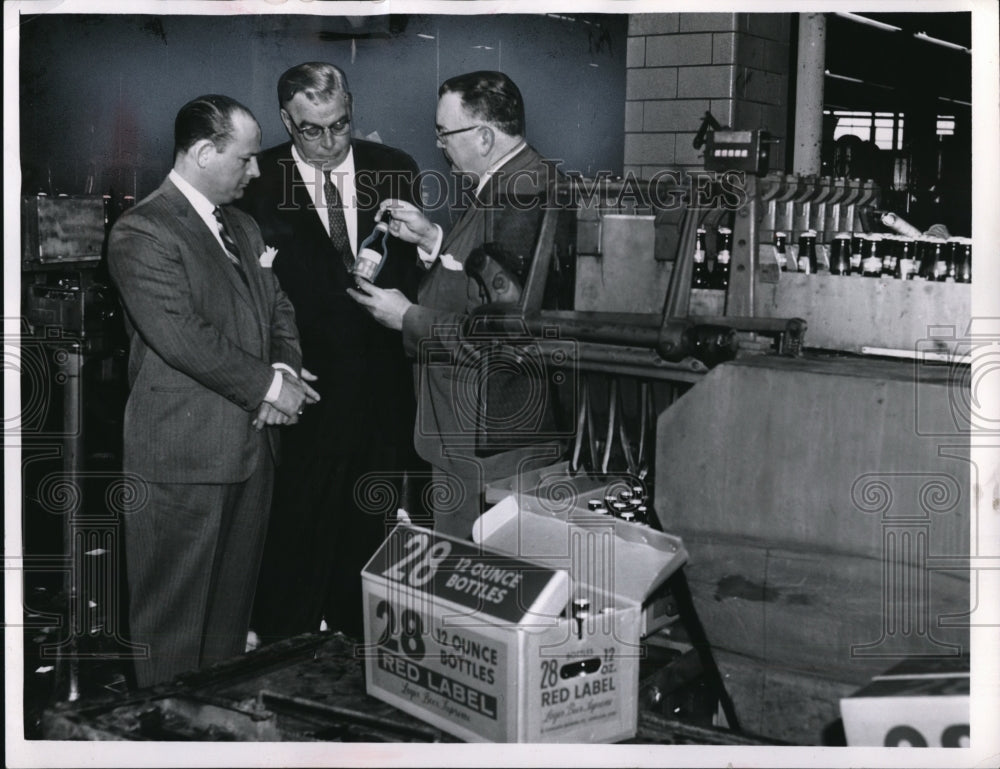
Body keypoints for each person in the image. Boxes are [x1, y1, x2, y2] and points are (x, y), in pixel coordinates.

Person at [107, 94, 318, 687]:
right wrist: (270, 388)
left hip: (251, 453)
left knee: (227, 631)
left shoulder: (244, 226)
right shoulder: (143, 230)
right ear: (203, 152)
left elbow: (278, 310)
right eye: (245, 160)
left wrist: (287, 374)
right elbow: (182, 337)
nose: (255, 172)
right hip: (184, 459)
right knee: (172, 631)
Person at [237, 62, 426, 643]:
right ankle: (285, 652)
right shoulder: (255, 179)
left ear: (351, 110)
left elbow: (416, 279)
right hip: (304, 393)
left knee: (371, 545)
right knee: (294, 541)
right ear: (285, 123)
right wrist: (275, 367)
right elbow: (244, 291)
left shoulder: (394, 169)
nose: (327, 142)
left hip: (383, 391)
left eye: (339, 125)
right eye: (310, 130)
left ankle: (360, 655)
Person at [349, 70, 566, 539]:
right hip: (474, 430)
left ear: (484, 136)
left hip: (487, 437)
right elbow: (489, 283)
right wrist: (433, 238)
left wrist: (406, 316)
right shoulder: (512, 181)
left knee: (478, 576)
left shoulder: (519, 196)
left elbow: (505, 336)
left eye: (445, 133)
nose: (440, 145)